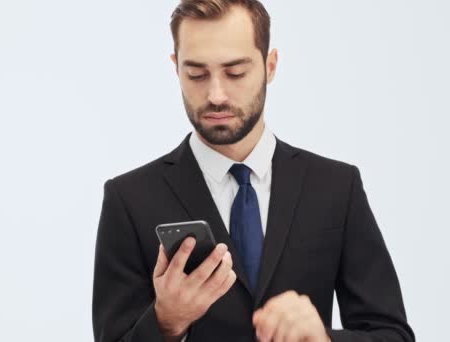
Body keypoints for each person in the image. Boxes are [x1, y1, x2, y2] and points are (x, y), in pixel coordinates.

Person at [92, 1, 415, 341]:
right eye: (196, 74)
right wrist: (165, 323)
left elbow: (392, 335)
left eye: (235, 73)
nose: (216, 95)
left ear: (270, 65)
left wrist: (324, 339)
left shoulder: (337, 187)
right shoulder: (129, 199)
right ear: (176, 68)